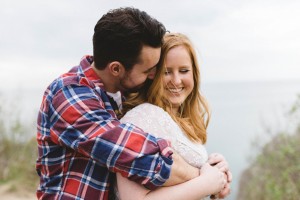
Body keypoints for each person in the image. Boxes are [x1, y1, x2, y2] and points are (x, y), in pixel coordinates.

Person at [36, 7, 226, 200]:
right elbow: (141, 157)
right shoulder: (69, 96)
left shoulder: (124, 93)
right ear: (116, 69)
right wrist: (205, 179)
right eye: (148, 70)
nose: (154, 76)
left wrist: (212, 168)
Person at [117, 33, 232, 199]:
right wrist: (206, 183)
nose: (176, 81)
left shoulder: (182, 119)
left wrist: (216, 170)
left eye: (184, 70)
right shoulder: (139, 119)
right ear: (152, 74)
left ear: (194, 74)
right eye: (167, 72)